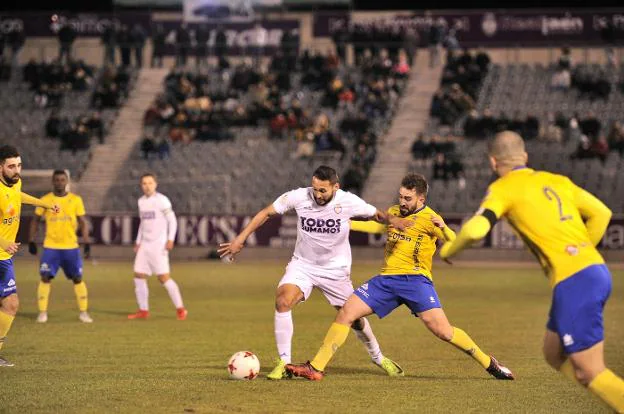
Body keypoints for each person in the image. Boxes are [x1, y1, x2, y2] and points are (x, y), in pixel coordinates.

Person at [439, 131, 624, 412]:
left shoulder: (504, 187)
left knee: (589, 370)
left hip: (576, 280)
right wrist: (582, 249)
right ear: (524, 157)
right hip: (592, 271)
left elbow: (477, 229)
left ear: (493, 162)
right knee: (553, 353)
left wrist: (448, 252)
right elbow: (603, 214)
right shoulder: (557, 180)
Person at [285, 173, 514, 381]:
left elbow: (455, 243)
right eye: (401, 197)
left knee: (444, 331)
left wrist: (444, 228)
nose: (402, 202)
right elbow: (378, 229)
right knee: (347, 312)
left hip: (416, 281)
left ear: (421, 200)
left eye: (408, 198)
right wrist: (346, 223)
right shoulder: (394, 212)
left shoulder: (431, 218)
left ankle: (488, 362)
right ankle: (316, 367)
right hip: (386, 281)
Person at [217, 165, 410, 380]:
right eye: (315, 189)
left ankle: (379, 357)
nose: (317, 195)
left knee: (354, 318)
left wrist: (394, 220)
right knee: (283, 301)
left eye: (322, 191)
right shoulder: (299, 196)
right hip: (303, 266)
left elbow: (377, 215)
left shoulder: (348, 201)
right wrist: (240, 239)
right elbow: (266, 213)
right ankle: (283, 362)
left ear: (335, 187)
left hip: (336, 270)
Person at [0, 145, 60, 366]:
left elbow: (17, 196)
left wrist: (44, 204)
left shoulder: (15, 183)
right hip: (1, 253)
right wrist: (5, 242)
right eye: (11, 166)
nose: (17, 170)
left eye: (19, 165)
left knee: (11, 305)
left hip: (3, 258)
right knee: (11, 304)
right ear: (0, 167)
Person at [28, 170, 92, 324]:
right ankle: (42, 313)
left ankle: (83, 312)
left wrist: (86, 241)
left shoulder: (76, 200)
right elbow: (35, 220)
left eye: (62, 180)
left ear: (67, 181)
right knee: (45, 277)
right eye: (56, 180)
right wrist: (31, 240)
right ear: (52, 181)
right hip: (51, 246)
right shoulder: (45, 200)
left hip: (71, 247)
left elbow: (82, 222)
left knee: (77, 278)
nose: (59, 182)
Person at [128, 174, 187, 321]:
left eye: (150, 183)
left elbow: (172, 220)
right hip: (145, 245)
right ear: (141, 186)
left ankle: (180, 309)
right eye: (144, 183)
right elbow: (143, 223)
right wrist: (138, 241)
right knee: (139, 275)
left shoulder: (162, 200)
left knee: (163, 278)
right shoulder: (141, 201)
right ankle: (143, 310)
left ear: (155, 184)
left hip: (158, 245)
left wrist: (170, 239)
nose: (147, 186)